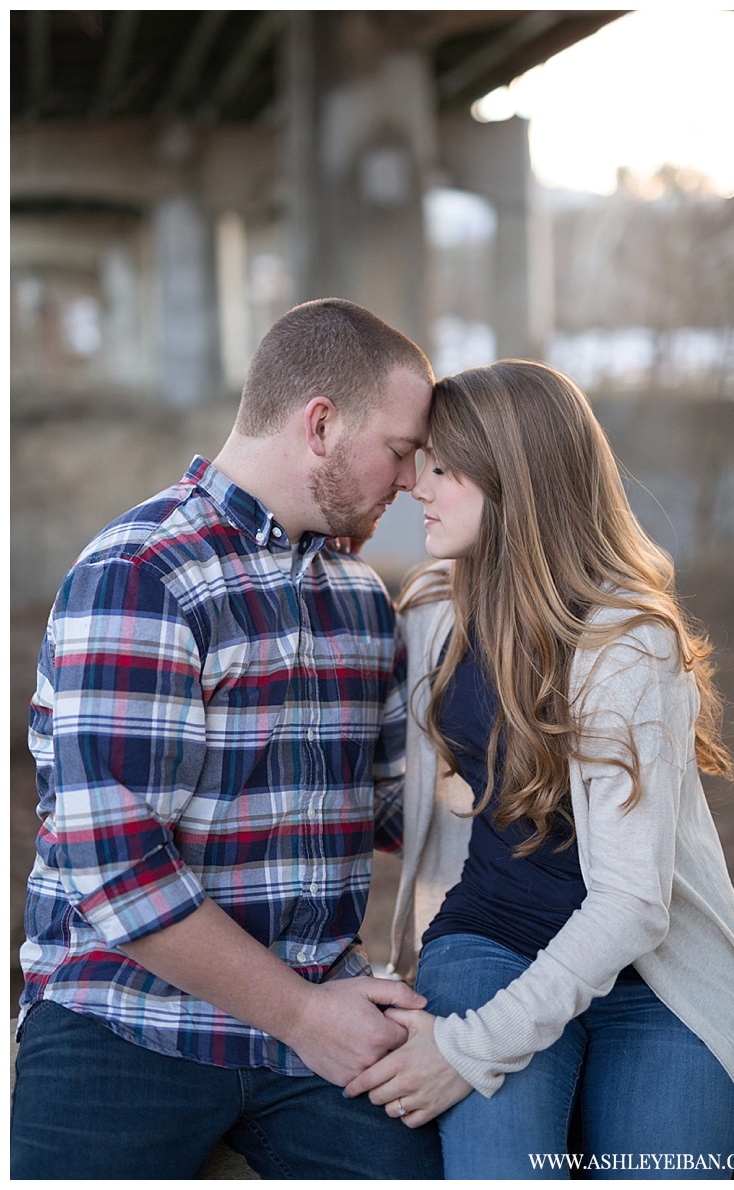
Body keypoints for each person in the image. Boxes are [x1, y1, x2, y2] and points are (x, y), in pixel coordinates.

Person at [11, 298, 444, 1180]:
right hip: (125, 1025)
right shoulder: (141, 575)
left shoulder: (360, 599)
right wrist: (304, 1017)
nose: (407, 481)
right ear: (320, 424)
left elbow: (410, 808)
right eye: (400, 450)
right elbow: (119, 873)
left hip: (318, 1034)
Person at [344, 360, 734, 1180]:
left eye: (443, 467)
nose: (418, 485)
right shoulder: (436, 607)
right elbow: (383, 790)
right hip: (490, 941)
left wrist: (468, 1049)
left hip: (653, 980)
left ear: (515, 479)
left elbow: (631, 905)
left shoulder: (627, 640)